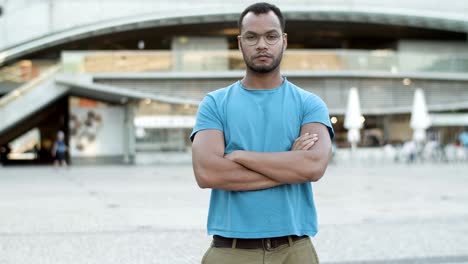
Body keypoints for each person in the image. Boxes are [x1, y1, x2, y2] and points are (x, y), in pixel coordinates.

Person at [190, 3, 334, 263]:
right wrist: (290, 163)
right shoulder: (214, 103)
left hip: (295, 250)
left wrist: (241, 156)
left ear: (284, 41)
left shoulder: (309, 104)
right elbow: (207, 172)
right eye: (252, 37)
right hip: (230, 252)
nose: (262, 45)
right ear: (240, 42)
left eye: (271, 36)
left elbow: (312, 167)